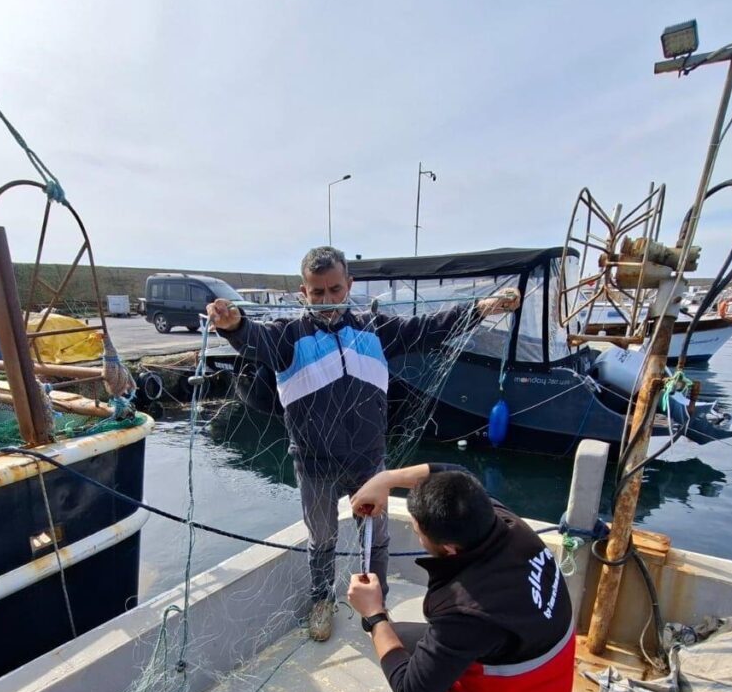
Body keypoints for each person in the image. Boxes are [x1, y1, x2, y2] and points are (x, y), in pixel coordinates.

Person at [207, 245, 518, 642]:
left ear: (349, 285)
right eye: (317, 293)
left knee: (378, 539)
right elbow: (252, 339)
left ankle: (378, 603)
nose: (327, 301)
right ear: (304, 293)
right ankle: (322, 600)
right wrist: (233, 325)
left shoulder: (375, 330)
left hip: (369, 463)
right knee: (321, 539)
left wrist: (483, 308)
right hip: (313, 463)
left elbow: (430, 326)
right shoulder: (286, 339)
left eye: (335, 290)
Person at [339, 462, 575, 692]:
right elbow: (451, 471)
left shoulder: (469, 609)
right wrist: (384, 481)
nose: (415, 533)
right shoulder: (498, 521)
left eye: (417, 531)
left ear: (448, 549)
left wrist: (374, 615)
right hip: (535, 691)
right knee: (397, 639)